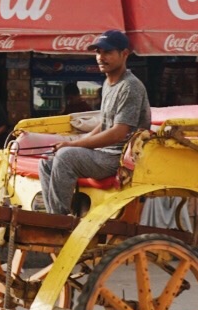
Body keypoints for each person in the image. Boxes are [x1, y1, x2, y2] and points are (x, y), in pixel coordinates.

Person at [42, 29, 150, 214]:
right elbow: (105, 123)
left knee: (65, 157)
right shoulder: (109, 84)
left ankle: (58, 220)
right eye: (98, 52)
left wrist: (73, 145)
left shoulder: (130, 86)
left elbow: (118, 133)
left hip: (119, 157)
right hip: (103, 153)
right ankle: (56, 214)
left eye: (107, 52)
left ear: (124, 54)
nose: (101, 57)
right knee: (46, 162)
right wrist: (75, 143)